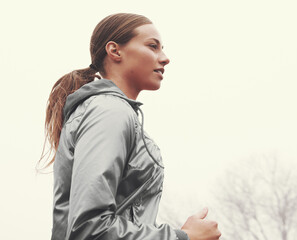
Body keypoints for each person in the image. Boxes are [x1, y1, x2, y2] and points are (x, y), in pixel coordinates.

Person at [40, 13, 221, 240]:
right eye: (152, 46)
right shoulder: (109, 111)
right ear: (115, 51)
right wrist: (181, 237)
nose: (165, 58)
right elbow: (89, 229)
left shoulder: (108, 110)